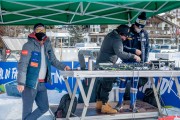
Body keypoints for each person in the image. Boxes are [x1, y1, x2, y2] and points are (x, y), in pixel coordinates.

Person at [17, 23, 71, 120]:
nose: (41, 32)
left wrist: (64, 67)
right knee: (27, 111)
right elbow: (23, 64)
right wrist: (21, 82)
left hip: (42, 84)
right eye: (38, 30)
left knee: (44, 107)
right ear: (34, 32)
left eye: (43, 30)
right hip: (30, 84)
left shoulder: (47, 45)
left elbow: (53, 60)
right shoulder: (28, 45)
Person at [95, 24, 141, 114]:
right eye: (125, 36)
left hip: (101, 62)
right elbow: (120, 53)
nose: (125, 38)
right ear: (121, 33)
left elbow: (119, 48)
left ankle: (99, 103)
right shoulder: (117, 39)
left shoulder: (111, 35)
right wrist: (134, 56)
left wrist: (132, 50)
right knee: (107, 84)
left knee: (101, 83)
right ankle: (104, 106)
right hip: (107, 64)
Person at [115, 12, 149, 113]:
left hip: (137, 64)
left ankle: (132, 104)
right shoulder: (127, 32)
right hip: (126, 61)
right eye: (138, 26)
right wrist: (133, 51)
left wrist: (145, 61)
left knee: (135, 84)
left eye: (141, 27)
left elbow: (147, 48)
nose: (139, 28)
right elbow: (122, 47)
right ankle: (120, 103)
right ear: (135, 24)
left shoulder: (144, 33)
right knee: (123, 82)